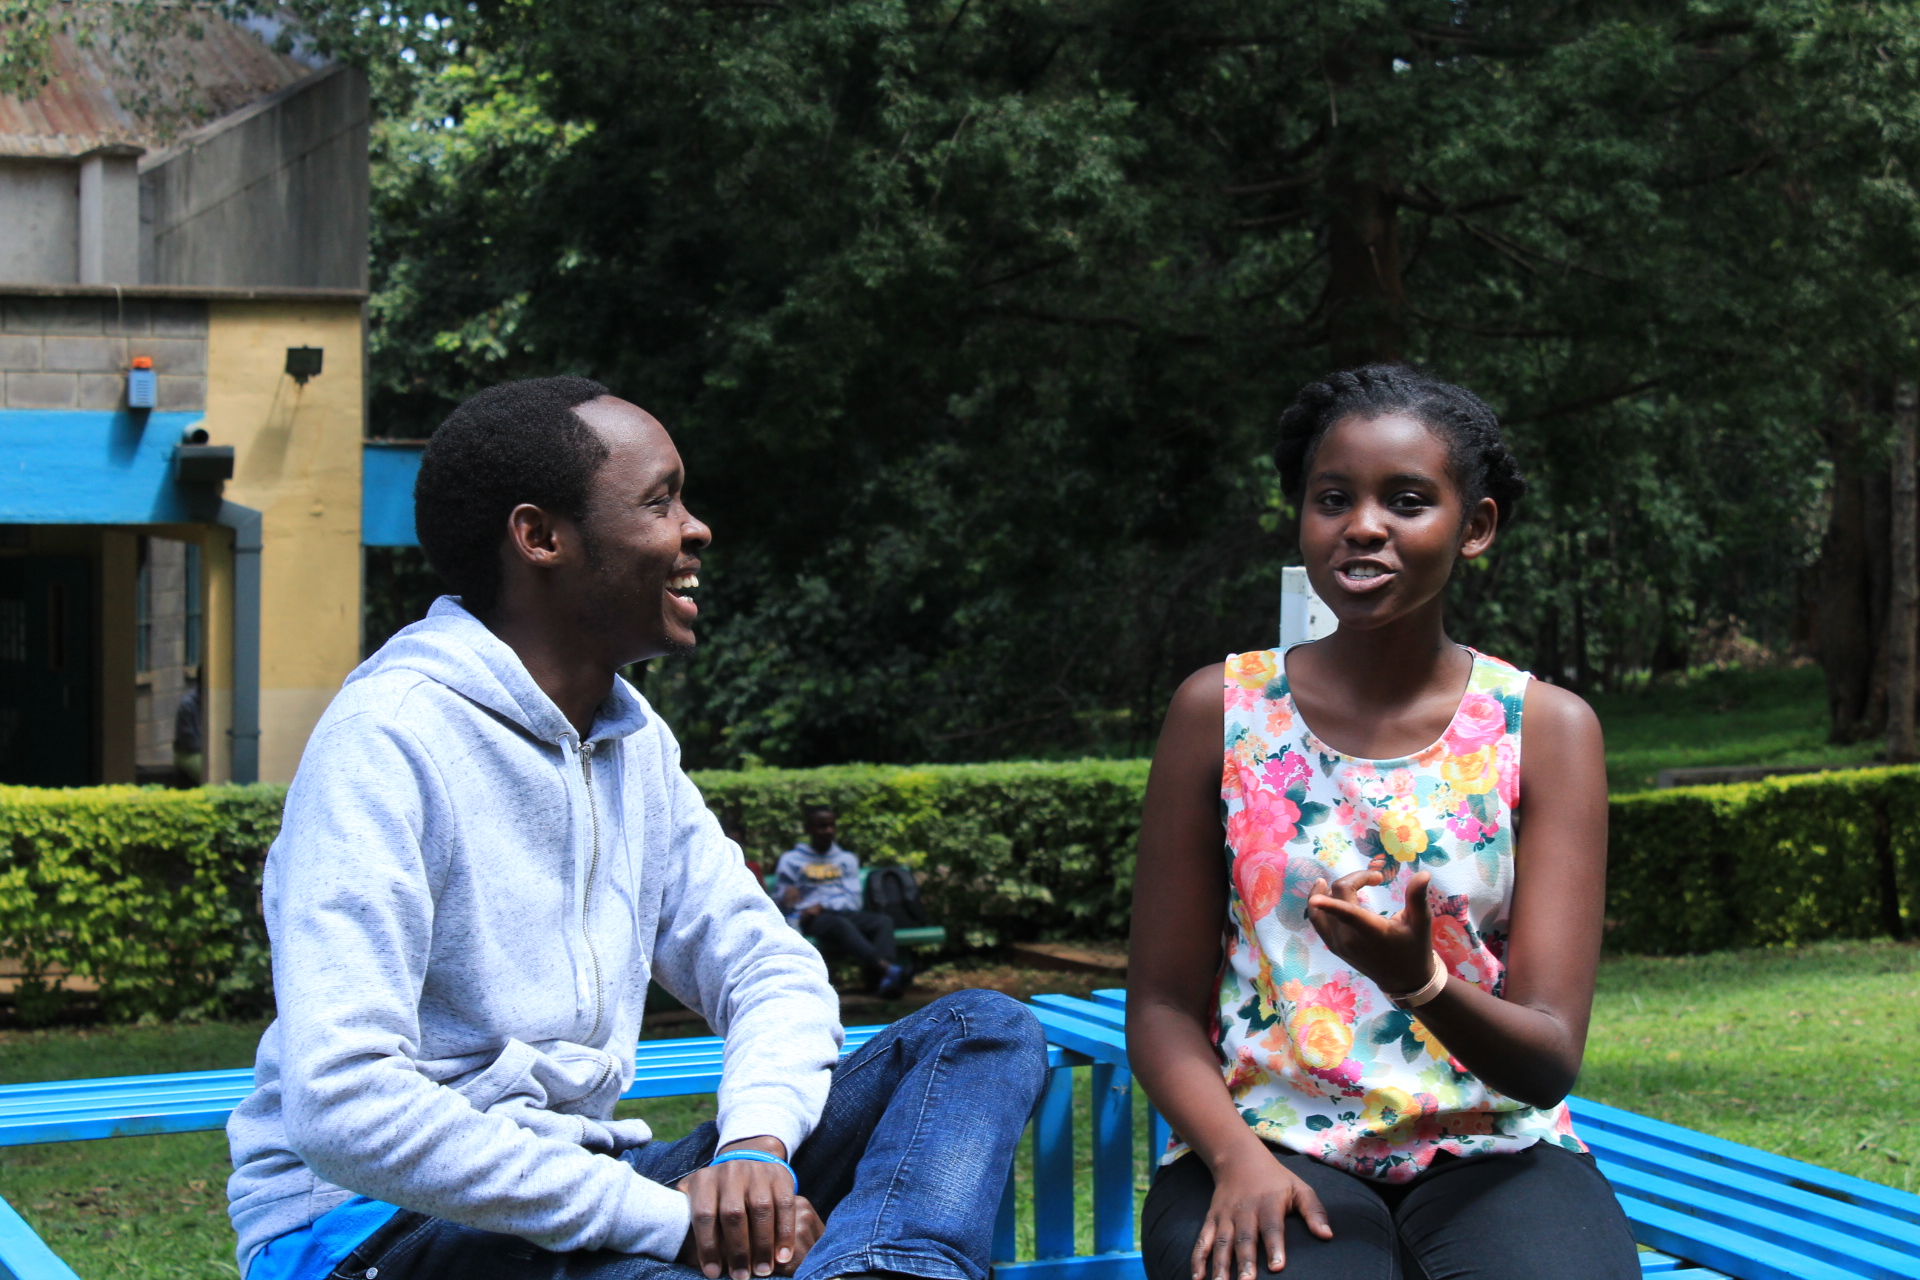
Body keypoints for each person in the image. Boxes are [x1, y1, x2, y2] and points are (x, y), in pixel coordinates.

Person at [226, 377, 1047, 1280]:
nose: (695, 529)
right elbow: (345, 1107)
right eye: (660, 501)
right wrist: (664, 1220)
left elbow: (765, 966)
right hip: (374, 1231)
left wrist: (756, 1148)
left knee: (981, 1030)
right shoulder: (389, 739)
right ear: (540, 537)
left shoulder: (631, 741)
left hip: (580, 1190)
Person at [1126, 365, 1638, 1280]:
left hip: (1494, 1145)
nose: (1364, 525)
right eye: (1334, 499)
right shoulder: (1221, 712)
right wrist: (1235, 1162)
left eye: (1406, 500)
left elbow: (1549, 1057)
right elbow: (1162, 1004)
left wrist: (1421, 983)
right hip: (1266, 1137)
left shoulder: (1546, 729)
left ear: (1473, 526)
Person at [775, 806, 911, 1001]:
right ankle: (889, 971)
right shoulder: (791, 860)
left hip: (838, 912)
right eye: (822, 826)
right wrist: (785, 896)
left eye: (831, 826)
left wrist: (824, 904)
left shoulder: (845, 859)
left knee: (883, 922)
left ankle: (884, 979)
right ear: (809, 829)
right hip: (811, 919)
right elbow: (781, 902)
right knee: (840, 925)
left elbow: (853, 901)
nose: (829, 830)